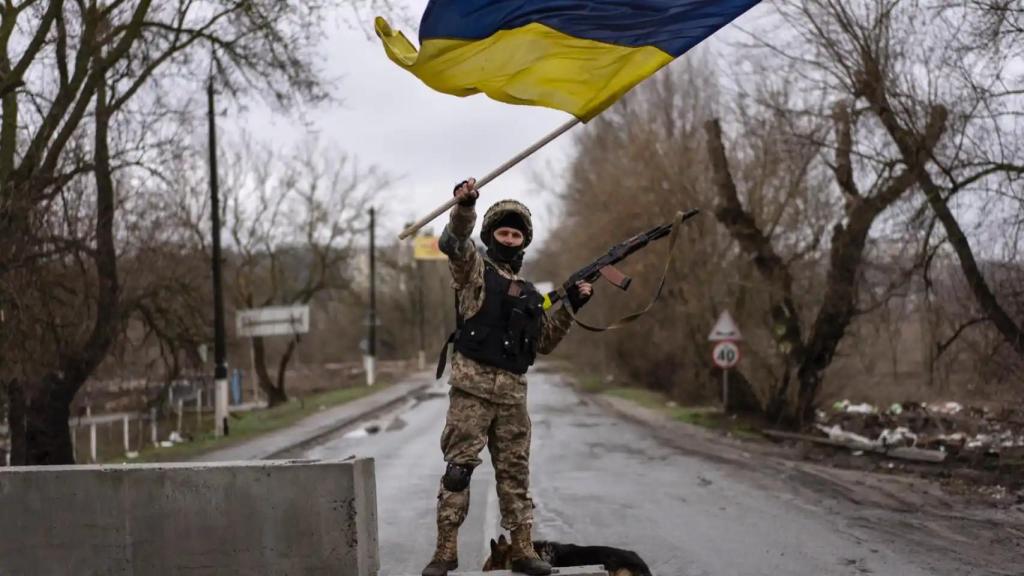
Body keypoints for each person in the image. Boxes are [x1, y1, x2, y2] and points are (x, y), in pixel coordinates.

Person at [422, 178, 593, 576]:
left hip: (513, 396)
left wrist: (572, 306)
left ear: (525, 240)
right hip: (472, 392)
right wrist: (464, 207)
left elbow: (544, 342)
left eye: (517, 233)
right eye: (503, 231)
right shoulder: (474, 272)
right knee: (458, 470)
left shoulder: (532, 293)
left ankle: (521, 550)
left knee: (515, 476)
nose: (510, 238)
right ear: (491, 235)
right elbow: (454, 244)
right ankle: (445, 551)